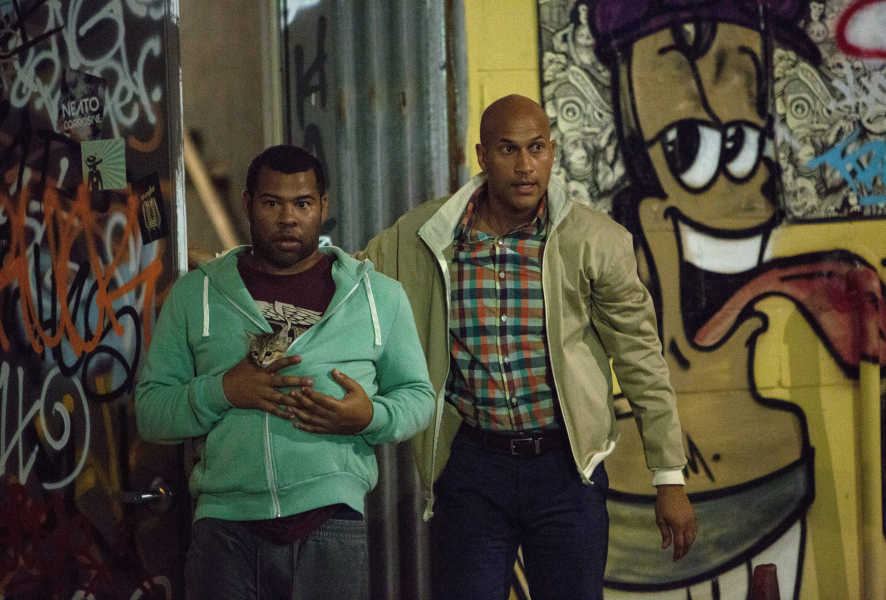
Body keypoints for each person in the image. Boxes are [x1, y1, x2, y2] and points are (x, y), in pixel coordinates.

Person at [358, 95, 697, 599]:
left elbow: (641, 359)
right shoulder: (426, 236)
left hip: (566, 470)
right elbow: (350, 286)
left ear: (552, 153)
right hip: (471, 467)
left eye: (536, 148)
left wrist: (669, 476)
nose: (525, 166)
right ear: (482, 155)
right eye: (508, 149)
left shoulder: (594, 241)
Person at [135, 145, 434, 600]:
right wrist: (223, 391)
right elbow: (151, 412)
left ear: (323, 206)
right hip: (225, 533)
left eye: (303, 203)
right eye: (272, 203)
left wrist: (369, 417)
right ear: (247, 203)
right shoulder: (196, 295)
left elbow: (418, 396)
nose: (288, 218)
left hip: (332, 524)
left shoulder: (379, 296)